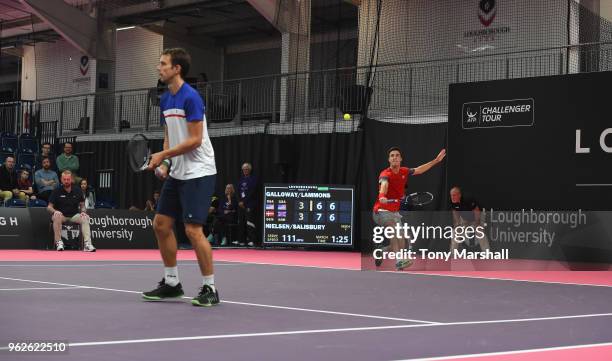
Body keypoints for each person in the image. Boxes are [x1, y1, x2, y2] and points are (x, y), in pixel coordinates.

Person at [141, 47, 219, 307]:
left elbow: (195, 141)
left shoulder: (191, 97)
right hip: (178, 170)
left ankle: (210, 288)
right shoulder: (165, 99)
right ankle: (172, 283)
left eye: (163, 64)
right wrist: (166, 162)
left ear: (177, 69)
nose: (158, 67)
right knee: (161, 224)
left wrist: (163, 155)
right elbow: (169, 136)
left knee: (193, 230)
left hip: (200, 170)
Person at [372, 147, 446, 270]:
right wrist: (382, 196)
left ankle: (381, 250)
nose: (394, 157)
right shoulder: (385, 174)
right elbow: (384, 185)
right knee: (394, 231)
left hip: (394, 212)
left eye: (397, 155)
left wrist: (436, 161)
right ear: (389, 160)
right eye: (392, 155)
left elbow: (419, 170)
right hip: (381, 211)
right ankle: (399, 261)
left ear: (401, 159)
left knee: (400, 240)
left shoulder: (404, 171)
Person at [47, 170, 96, 252]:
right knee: (56, 216)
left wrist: (83, 212)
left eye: (68, 179)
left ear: (71, 179)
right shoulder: (56, 191)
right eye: (64, 179)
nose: (66, 181)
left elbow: (82, 205)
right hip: (61, 216)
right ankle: (59, 242)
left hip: (74, 216)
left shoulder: (78, 190)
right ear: (61, 180)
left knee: (85, 218)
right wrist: (55, 211)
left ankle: (87, 244)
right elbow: (49, 207)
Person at [449, 186, 490, 251]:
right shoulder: (452, 201)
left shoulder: (467, 199)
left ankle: (487, 253)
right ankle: (452, 253)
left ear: (459, 195)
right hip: (465, 217)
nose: (452, 197)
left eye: (454, 195)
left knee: (479, 232)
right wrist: (458, 223)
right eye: (451, 195)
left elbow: (476, 211)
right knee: (456, 231)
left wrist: (477, 223)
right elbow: (455, 211)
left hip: (478, 216)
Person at [236, 162, 258, 247]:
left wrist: (244, 202)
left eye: (246, 169)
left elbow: (252, 192)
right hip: (241, 205)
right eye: (243, 169)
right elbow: (237, 191)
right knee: (241, 222)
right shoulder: (241, 180)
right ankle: (241, 240)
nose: (245, 170)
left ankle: (252, 240)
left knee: (249, 222)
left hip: (249, 204)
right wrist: (239, 201)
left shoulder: (253, 179)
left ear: (250, 170)